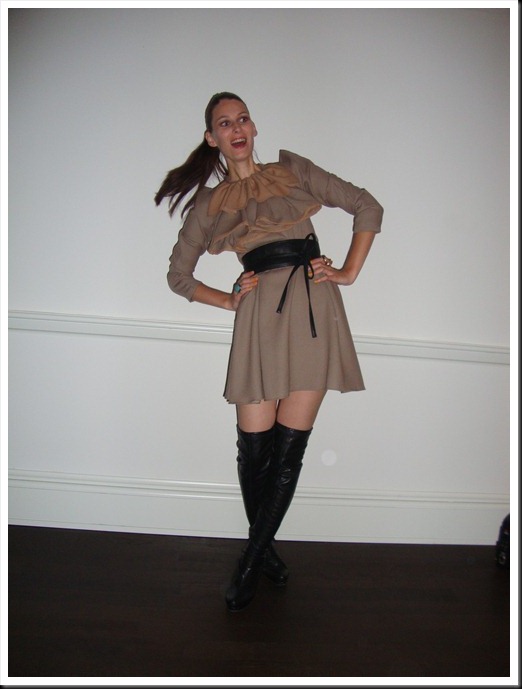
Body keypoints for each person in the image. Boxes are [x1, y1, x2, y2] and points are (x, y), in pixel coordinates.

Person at [155, 92, 383, 612]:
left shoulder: (292, 170)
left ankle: (251, 560)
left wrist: (348, 272)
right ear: (212, 138)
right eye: (224, 123)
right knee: (255, 449)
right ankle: (265, 551)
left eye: (243, 118)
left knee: (288, 450)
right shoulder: (211, 204)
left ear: (253, 127)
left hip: (312, 308)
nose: (236, 128)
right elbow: (178, 276)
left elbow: (367, 205)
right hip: (258, 317)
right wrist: (229, 300)